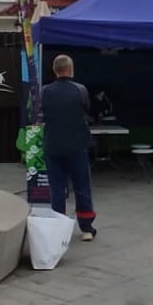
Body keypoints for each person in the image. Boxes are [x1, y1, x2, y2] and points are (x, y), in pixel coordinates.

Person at [40, 54, 97, 241]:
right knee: (82, 186)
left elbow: (41, 115)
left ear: (54, 71)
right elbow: (86, 111)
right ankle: (86, 228)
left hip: (53, 145)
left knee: (57, 188)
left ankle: (59, 228)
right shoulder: (80, 90)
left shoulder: (44, 91)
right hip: (77, 145)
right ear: (71, 70)